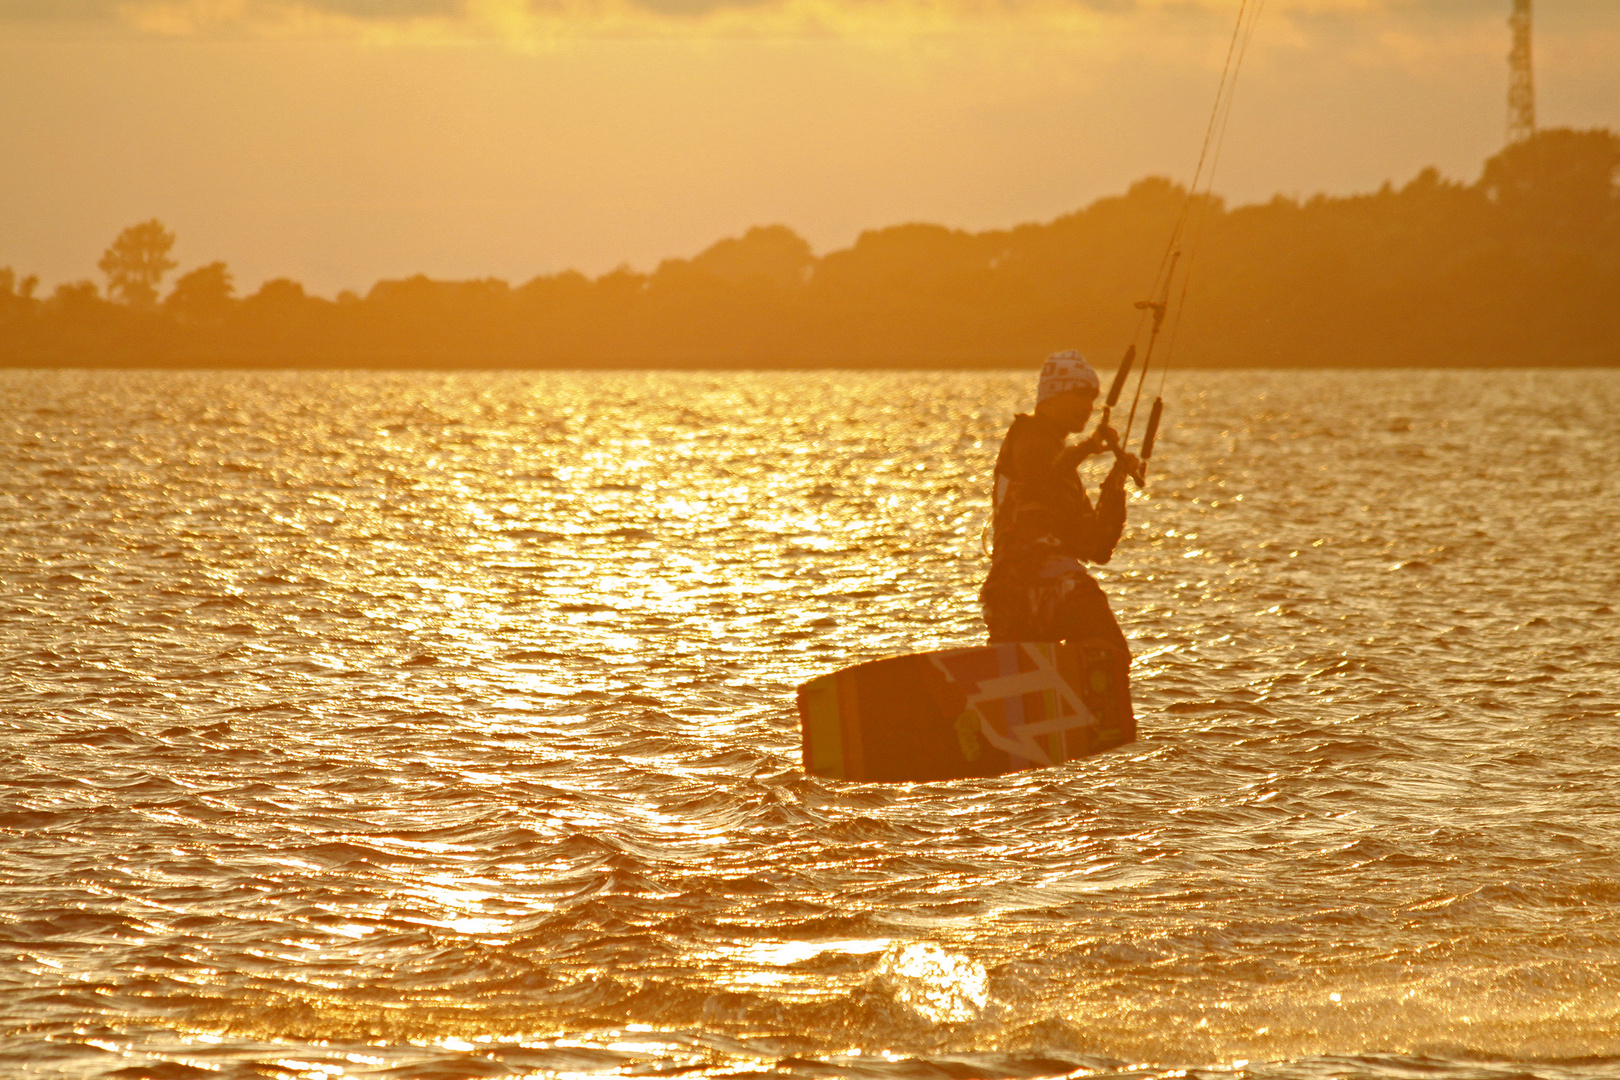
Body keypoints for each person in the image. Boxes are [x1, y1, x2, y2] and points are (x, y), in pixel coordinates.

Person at [979, 350, 1139, 654]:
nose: (1089, 406)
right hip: (1019, 585)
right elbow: (1040, 476)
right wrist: (1088, 447)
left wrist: (1116, 481)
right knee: (1106, 646)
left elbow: (1097, 547)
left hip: (1051, 585)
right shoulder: (1026, 435)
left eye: (1093, 397)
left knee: (1108, 648)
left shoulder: (1066, 475)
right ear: (1053, 394)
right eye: (1081, 394)